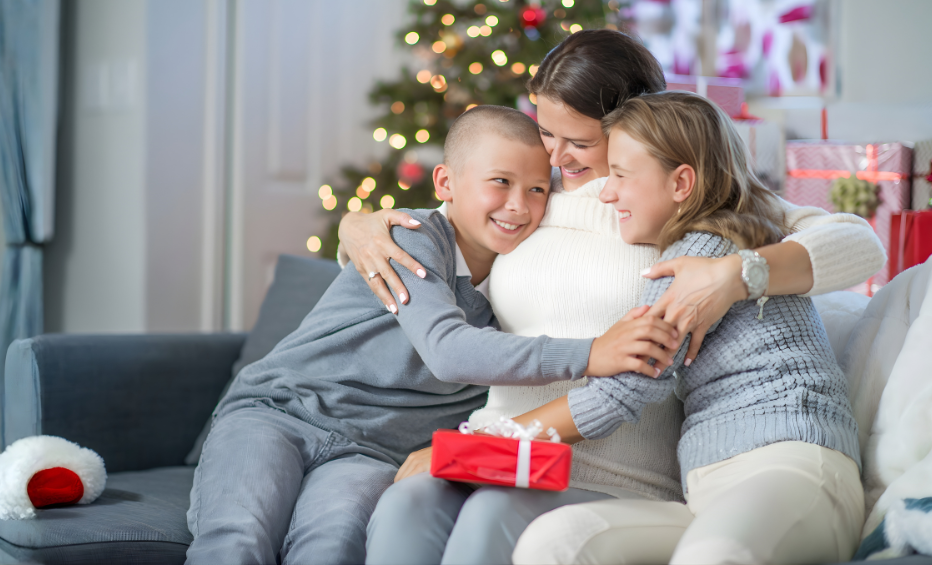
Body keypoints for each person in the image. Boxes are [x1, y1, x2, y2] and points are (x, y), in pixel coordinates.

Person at [356, 31, 884, 564]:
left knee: (496, 513)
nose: (555, 157)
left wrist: (735, 274)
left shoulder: (693, 215)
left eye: (578, 142)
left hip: (617, 473)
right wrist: (357, 229)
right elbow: (424, 241)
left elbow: (859, 244)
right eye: (545, 132)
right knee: (409, 502)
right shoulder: (530, 195)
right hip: (523, 455)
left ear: (636, 125)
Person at [184, 106, 680, 565]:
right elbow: (449, 351)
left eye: (536, 190)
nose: (518, 205)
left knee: (332, 545)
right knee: (238, 537)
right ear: (444, 182)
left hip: (372, 454)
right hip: (279, 413)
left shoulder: (518, 285)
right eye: (499, 183)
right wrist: (594, 352)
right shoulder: (411, 238)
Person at [512, 91, 863, 565]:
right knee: (556, 541)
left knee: (714, 555)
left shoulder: (699, 255)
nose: (607, 192)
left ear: (681, 183)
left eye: (619, 176)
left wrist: (467, 448)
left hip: (791, 468)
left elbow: (615, 396)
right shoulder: (693, 250)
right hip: (706, 491)